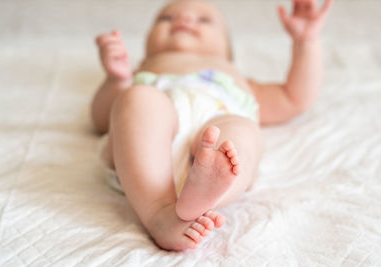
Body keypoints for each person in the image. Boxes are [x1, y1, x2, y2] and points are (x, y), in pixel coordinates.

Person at [91, 0, 332, 251]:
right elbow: (101, 120)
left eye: (204, 20)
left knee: (242, 132)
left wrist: (306, 43)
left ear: (227, 51)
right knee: (136, 100)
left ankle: (205, 193)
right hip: (149, 152)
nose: (184, 19)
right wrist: (116, 81)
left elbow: (294, 98)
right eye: (166, 18)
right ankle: (158, 211)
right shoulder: (141, 72)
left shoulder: (238, 80)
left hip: (218, 121)